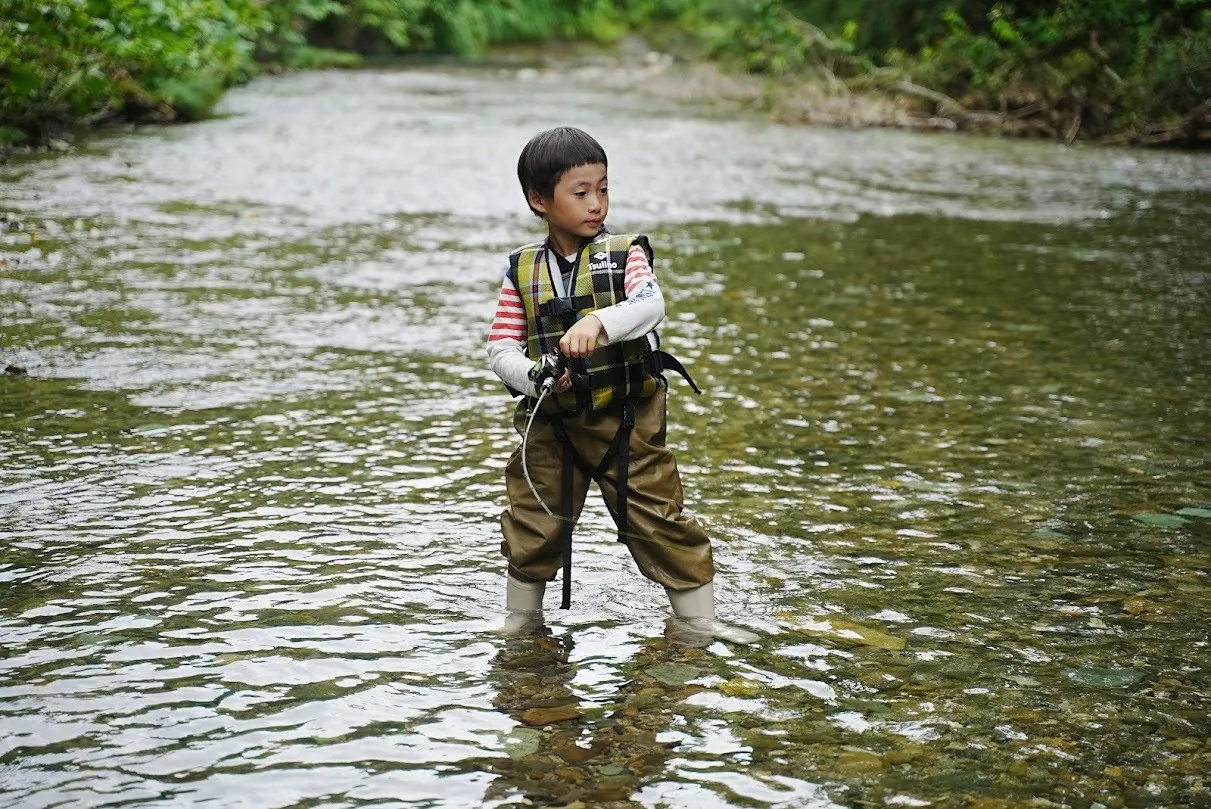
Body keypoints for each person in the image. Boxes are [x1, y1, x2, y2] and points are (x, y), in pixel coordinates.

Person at [486, 126, 719, 627]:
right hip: (551, 423)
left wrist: (598, 322)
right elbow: (501, 346)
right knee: (533, 525)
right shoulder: (521, 270)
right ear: (538, 200)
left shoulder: (626, 255)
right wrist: (534, 376)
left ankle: (700, 632)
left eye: (604, 189)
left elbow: (650, 305)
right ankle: (521, 635)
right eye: (581, 192)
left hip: (626, 423)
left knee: (659, 522)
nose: (597, 204)